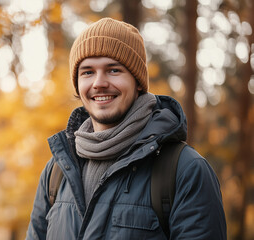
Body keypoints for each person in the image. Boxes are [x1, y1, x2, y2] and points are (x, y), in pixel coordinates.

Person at [26, 18, 226, 239]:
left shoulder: (186, 170)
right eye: (87, 72)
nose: (99, 83)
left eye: (113, 70)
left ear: (138, 81)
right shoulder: (56, 171)